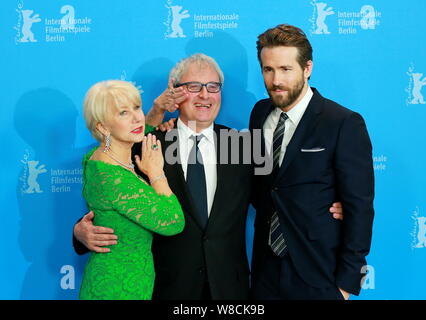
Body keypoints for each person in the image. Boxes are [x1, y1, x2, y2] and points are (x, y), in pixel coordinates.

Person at [73, 54, 344, 300]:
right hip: (166, 289)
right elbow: (110, 193)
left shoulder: (244, 146)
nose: (205, 95)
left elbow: (274, 198)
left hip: (229, 290)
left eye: (213, 87)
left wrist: (324, 207)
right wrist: (79, 233)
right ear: (176, 92)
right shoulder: (147, 144)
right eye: (194, 87)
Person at [250, 24, 375, 300]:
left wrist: (345, 285)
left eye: (285, 69)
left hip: (320, 273)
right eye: (268, 69)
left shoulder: (342, 123)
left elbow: (360, 208)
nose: (275, 80)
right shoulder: (259, 114)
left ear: (307, 68)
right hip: (265, 271)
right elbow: (262, 185)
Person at [78, 80, 184, 300]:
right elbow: (173, 221)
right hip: (118, 290)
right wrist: (156, 173)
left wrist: (157, 111)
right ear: (102, 127)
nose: (137, 117)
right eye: (123, 113)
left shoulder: (96, 159)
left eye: (137, 107)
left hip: (124, 281)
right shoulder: (113, 178)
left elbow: (135, 131)